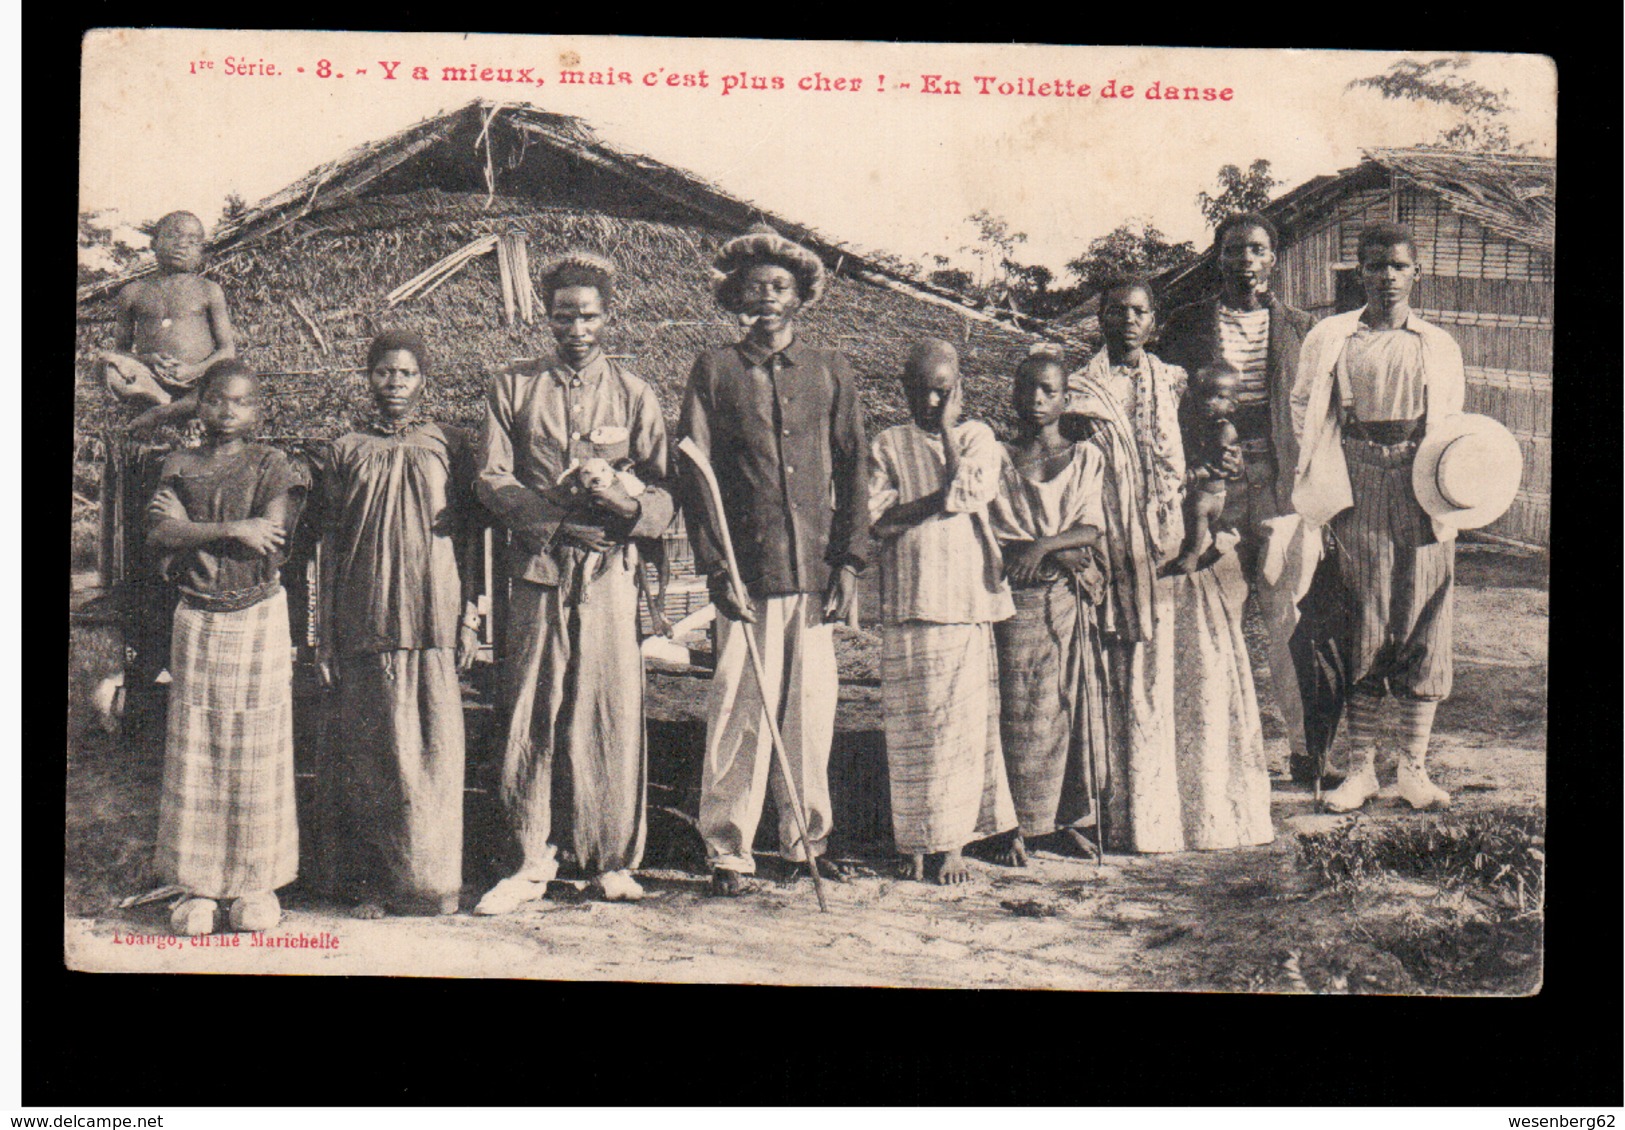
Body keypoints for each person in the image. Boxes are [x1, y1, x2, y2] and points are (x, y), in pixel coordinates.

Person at [474, 251, 674, 912]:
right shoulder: (513, 388)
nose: (576, 327)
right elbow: (493, 477)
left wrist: (627, 510)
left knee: (608, 703)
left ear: (606, 316)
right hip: (539, 569)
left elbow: (667, 488)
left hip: (611, 573)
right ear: (547, 317)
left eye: (588, 315)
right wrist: (555, 527)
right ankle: (527, 859)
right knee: (532, 706)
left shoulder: (634, 393)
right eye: (564, 315)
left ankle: (607, 857)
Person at [677, 228, 868, 896]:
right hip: (746, 575)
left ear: (799, 297)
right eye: (754, 288)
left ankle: (805, 841)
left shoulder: (828, 370)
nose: (766, 299)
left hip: (811, 576)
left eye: (779, 287)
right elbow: (694, 475)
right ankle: (727, 850)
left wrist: (847, 563)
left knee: (810, 712)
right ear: (735, 296)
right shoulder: (714, 369)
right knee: (738, 709)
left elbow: (854, 468)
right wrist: (716, 569)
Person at [1068, 280, 1272, 853]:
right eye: (1117, 310)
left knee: (1195, 663)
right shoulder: (1081, 391)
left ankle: (1201, 809)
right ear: (1101, 318)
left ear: (1154, 322)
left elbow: (1208, 437)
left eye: (1139, 311)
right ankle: (1133, 815)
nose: (1128, 320)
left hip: (1175, 535)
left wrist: (1221, 462)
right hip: (1113, 535)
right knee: (1129, 666)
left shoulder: (1176, 382)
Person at [1157, 213, 1339, 786]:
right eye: (1234, 251)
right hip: (1211, 486)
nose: (1246, 262)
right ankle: (1210, 757)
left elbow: (1320, 415)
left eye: (1257, 250)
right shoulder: (1185, 327)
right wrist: (1197, 463)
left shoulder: (1304, 329)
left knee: (1288, 615)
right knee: (1211, 613)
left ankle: (1309, 752)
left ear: (1274, 258)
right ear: (1219, 258)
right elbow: (1167, 413)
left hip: (1281, 485)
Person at [1291, 223, 1465, 813]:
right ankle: (1361, 767)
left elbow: (1454, 421)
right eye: (1373, 267)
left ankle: (1413, 768)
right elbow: (1304, 407)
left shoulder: (1437, 344)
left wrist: (1441, 481)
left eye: (1396, 266)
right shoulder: (1332, 337)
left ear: (1417, 273)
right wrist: (1327, 472)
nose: (1386, 277)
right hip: (1357, 476)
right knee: (1361, 614)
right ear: (1358, 274)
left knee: (1424, 610)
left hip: (1423, 479)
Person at [311, 330, 482, 918]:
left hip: (433, 616)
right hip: (364, 619)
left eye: (406, 374)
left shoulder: (449, 446)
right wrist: (325, 635)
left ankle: (434, 883)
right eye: (384, 372)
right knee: (370, 754)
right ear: (368, 378)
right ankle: (372, 885)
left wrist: (470, 619)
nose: (394, 384)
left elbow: (471, 538)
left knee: (436, 752)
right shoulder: (345, 449)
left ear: (423, 381)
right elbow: (329, 546)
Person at [144, 360, 305, 935]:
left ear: (257, 410)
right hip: (197, 615)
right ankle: (198, 888)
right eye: (215, 400)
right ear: (199, 405)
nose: (226, 412)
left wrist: (204, 528)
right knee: (198, 746)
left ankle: (255, 885)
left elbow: (271, 535)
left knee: (256, 744)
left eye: (240, 402)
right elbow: (161, 532)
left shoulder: (273, 465)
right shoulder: (180, 464)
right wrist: (229, 529)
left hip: (258, 613)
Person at [869, 339, 1017, 884]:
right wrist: (931, 502)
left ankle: (952, 844)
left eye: (943, 390)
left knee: (960, 726)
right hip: (910, 600)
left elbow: (967, 493)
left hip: (963, 602)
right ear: (905, 389)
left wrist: (951, 432)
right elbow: (875, 519)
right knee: (912, 729)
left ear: (959, 389)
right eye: (923, 390)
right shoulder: (888, 443)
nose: (931, 402)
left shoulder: (978, 436)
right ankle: (915, 842)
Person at [988, 351, 1109, 867]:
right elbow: (990, 530)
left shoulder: (1085, 458)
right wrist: (1054, 547)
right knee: (1014, 715)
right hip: (1010, 603)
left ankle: (1062, 823)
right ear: (1013, 394)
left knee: (1064, 709)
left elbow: (1091, 529)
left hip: (1063, 599)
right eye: (1027, 389)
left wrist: (1039, 547)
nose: (1037, 400)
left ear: (1065, 398)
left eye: (1048, 391)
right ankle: (1012, 825)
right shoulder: (994, 458)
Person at [102, 211, 238, 435]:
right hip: (153, 380)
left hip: (198, 380)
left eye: (193, 241)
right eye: (174, 236)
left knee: (229, 375)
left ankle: (160, 413)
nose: (182, 245)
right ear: (154, 242)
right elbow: (121, 351)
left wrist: (193, 370)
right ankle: (171, 406)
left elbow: (227, 349)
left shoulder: (209, 290)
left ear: (201, 250)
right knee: (107, 365)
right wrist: (147, 360)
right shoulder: (132, 292)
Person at [1167, 364, 1242, 577]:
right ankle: (1216, 548)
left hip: (1212, 493)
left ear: (1233, 405)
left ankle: (1190, 555)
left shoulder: (1224, 430)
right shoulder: (1201, 424)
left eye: (1219, 397)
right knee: (1193, 510)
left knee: (1197, 508)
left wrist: (1191, 475)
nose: (1210, 402)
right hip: (1209, 491)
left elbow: (1217, 466)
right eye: (1205, 396)